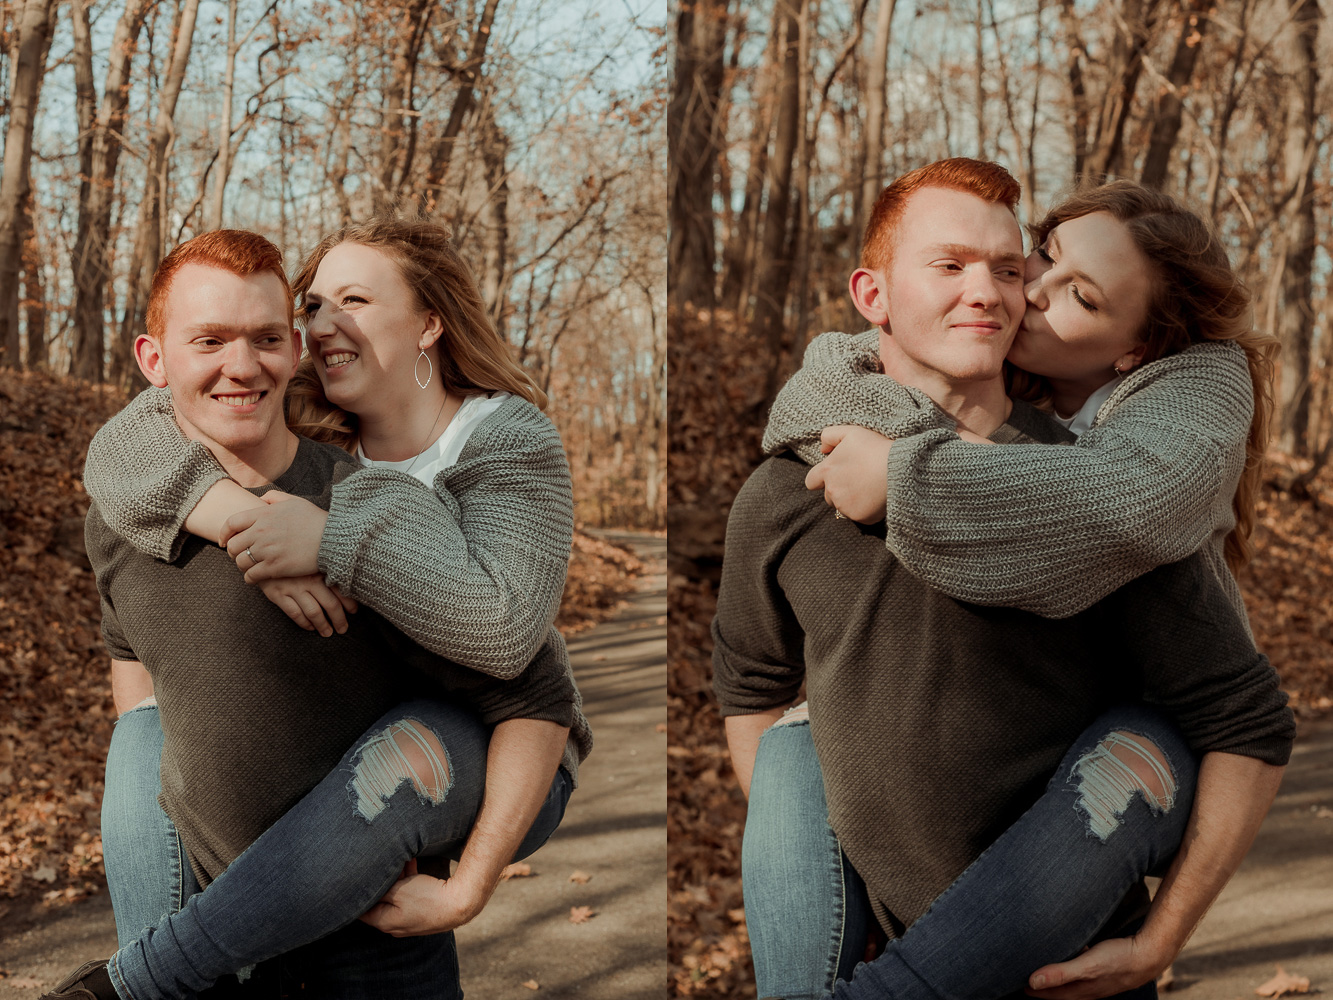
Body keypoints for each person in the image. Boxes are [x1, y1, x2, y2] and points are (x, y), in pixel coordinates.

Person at [711, 160, 1293, 1000]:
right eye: (948, 265)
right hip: (872, 946)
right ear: (871, 297)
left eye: (1007, 269)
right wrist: (835, 873)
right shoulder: (782, 493)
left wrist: (1159, 942)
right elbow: (751, 691)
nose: (988, 291)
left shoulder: (1089, 498)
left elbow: (1244, 721)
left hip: (1066, 969)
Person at [48, 225, 590, 1000]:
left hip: (371, 937)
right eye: (210, 339)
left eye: (269, 337)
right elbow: (132, 655)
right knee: (140, 733)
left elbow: (520, 667)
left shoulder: (399, 491)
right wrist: (247, 530)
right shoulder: (137, 501)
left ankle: (134, 983)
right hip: (216, 929)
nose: (244, 364)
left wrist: (328, 537)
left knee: (404, 754)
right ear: (153, 361)